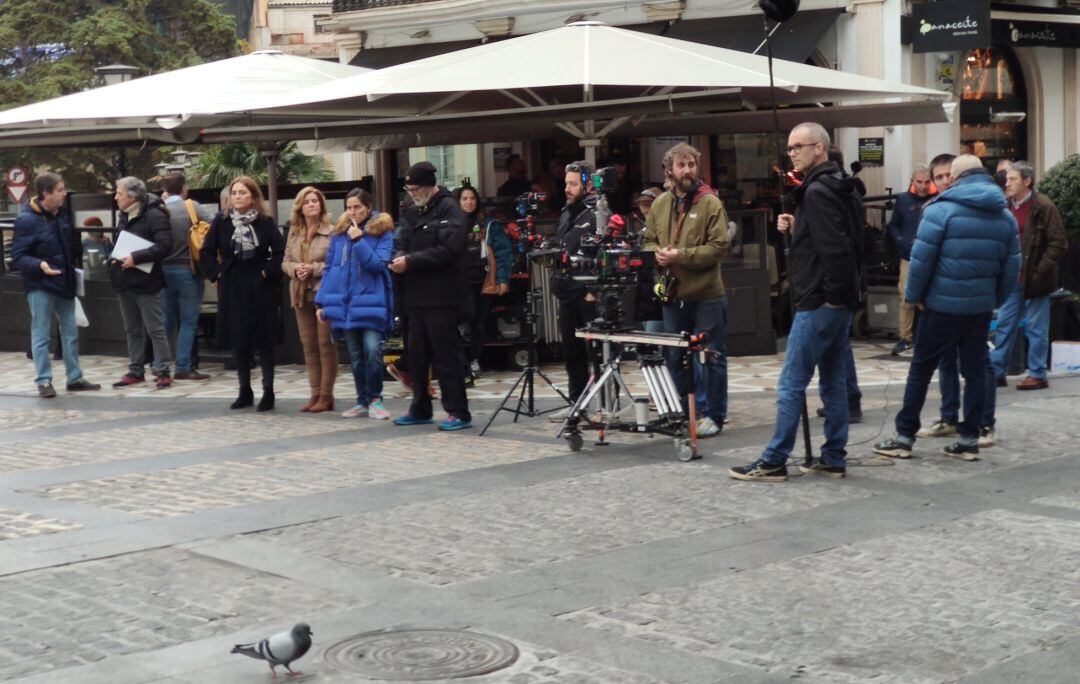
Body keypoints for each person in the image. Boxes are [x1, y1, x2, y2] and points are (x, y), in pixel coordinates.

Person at [730, 123, 863, 481]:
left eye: (798, 147)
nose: (792, 153)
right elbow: (842, 236)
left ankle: (775, 459)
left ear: (819, 148)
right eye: (789, 148)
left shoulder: (817, 191)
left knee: (791, 383)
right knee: (833, 381)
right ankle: (833, 456)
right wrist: (797, 224)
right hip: (839, 300)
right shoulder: (838, 184)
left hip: (820, 302)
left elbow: (836, 248)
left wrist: (831, 298)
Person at [873, 155, 1020, 461]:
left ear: (955, 177)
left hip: (940, 306)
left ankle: (904, 436)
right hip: (979, 309)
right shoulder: (1004, 215)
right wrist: (994, 300)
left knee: (921, 369)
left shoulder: (940, 211)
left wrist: (915, 298)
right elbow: (1011, 268)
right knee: (976, 371)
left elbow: (921, 262)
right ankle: (969, 439)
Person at [643, 143, 730, 438]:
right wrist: (656, 252)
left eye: (692, 164)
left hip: (706, 293)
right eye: (681, 165)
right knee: (674, 356)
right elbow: (648, 240)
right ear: (669, 171)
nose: (688, 170)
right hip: (672, 294)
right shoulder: (659, 205)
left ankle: (714, 415)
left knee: (711, 356)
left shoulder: (710, 203)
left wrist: (680, 256)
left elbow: (718, 248)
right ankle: (684, 411)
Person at [389, 161, 472, 431]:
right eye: (409, 189)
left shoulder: (449, 208)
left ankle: (458, 410)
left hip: (442, 296)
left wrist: (411, 260)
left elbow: (448, 248)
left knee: (446, 356)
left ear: (429, 186)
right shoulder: (411, 211)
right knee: (416, 355)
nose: (412, 193)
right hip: (415, 296)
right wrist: (397, 257)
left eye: (416, 188)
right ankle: (420, 407)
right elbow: (399, 239)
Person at [10, 172, 100, 398]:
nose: (64, 194)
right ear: (45, 193)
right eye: (59, 190)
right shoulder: (27, 220)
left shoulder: (62, 215)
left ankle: (75, 378)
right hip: (40, 284)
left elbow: (71, 246)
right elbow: (18, 257)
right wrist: (40, 265)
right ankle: (43, 381)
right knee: (41, 334)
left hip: (65, 282)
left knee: (70, 332)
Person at [200, 176, 285, 412]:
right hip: (233, 283)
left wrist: (267, 273)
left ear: (253, 197)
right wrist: (216, 274)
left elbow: (279, 252)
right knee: (240, 340)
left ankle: (268, 391)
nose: (237, 197)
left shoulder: (266, 222)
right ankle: (244, 390)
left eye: (242, 193)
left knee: (264, 339)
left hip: (259, 284)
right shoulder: (222, 221)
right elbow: (206, 250)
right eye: (234, 193)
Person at [316, 188, 394, 420]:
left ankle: (376, 400)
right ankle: (361, 400)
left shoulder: (383, 232)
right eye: (349, 207)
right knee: (355, 355)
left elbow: (378, 265)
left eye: (357, 207)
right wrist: (321, 302)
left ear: (368, 207)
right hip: (346, 304)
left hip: (371, 302)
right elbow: (330, 269)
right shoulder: (339, 234)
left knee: (372, 350)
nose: (352, 212)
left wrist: (359, 240)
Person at [990, 161, 1068, 391]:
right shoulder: (1005, 206)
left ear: (1027, 181)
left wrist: (1040, 269)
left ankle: (1037, 373)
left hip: (1036, 279)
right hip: (1012, 277)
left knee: (1036, 326)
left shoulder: (1043, 206)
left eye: (1013, 179)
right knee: (1005, 323)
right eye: (1007, 179)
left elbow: (1059, 242)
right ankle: (997, 371)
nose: (1008, 183)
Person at [916, 153, 964, 439]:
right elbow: (922, 257)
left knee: (976, 363)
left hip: (970, 299)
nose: (946, 181)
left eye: (950, 175)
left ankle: (982, 423)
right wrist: (917, 294)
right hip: (940, 299)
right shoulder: (931, 208)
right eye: (940, 177)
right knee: (944, 361)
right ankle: (949, 417)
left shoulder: (981, 207)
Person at [109, 176, 174, 390]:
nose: (116, 197)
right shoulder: (124, 216)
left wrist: (136, 258)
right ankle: (136, 370)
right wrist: (114, 255)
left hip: (147, 282)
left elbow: (165, 246)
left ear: (132, 196)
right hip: (124, 281)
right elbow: (121, 242)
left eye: (119, 193)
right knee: (132, 329)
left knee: (155, 328)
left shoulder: (155, 215)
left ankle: (162, 370)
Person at [547, 161, 599, 420]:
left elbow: (604, 253)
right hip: (566, 293)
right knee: (572, 355)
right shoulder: (567, 212)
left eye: (573, 184)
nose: (567, 188)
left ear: (587, 185)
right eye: (566, 183)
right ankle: (577, 404)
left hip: (587, 295)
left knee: (597, 353)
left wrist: (593, 290)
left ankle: (604, 405)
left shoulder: (598, 212)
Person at [283, 186, 338, 413]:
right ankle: (314, 393)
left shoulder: (332, 232)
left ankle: (327, 394)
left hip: (322, 292)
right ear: (300, 207)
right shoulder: (294, 232)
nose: (312, 204)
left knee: (325, 344)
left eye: (315, 201)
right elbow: (285, 261)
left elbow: (336, 263)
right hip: (299, 292)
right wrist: (296, 269)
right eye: (307, 202)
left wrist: (313, 268)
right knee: (309, 346)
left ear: (322, 205)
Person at [160, 173, 213, 381]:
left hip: (163, 271)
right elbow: (212, 228)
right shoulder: (193, 208)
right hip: (188, 271)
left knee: (166, 320)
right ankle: (183, 366)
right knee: (189, 321)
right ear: (184, 188)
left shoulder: (159, 211)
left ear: (165, 189)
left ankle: (160, 364)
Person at [456, 185, 512, 381]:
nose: (469, 202)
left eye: (472, 198)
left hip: (484, 280)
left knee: (479, 324)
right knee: (461, 322)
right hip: (460, 282)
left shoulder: (489, 224)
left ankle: (474, 360)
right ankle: (461, 362)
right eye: (464, 199)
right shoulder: (453, 224)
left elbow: (503, 252)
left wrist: (503, 278)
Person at [888, 164, 934, 355]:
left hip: (930, 256)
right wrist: (901, 241)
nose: (923, 186)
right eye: (919, 182)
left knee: (930, 297)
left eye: (926, 182)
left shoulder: (936, 199)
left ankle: (927, 336)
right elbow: (893, 225)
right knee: (906, 298)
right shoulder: (903, 199)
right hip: (908, 256)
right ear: (912, 182)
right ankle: (905, 337)